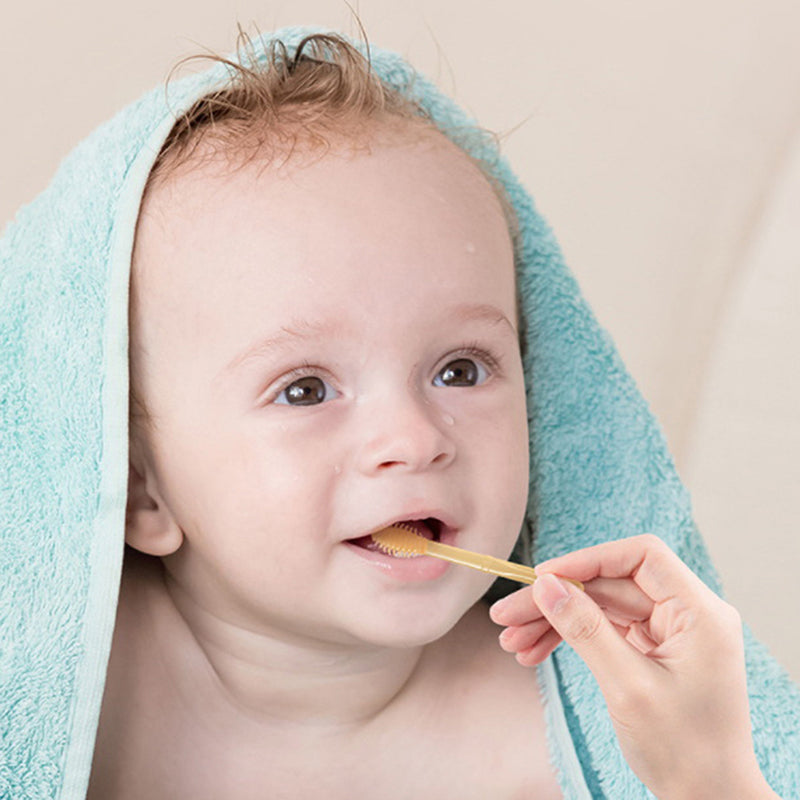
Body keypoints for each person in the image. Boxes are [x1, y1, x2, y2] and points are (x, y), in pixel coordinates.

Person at [2, 28, 797, 800]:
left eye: (460, 369)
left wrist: (711, 778)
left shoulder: (593, 728)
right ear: (141, 489)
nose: (414, 441)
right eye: (306, 390)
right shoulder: (52, 690)